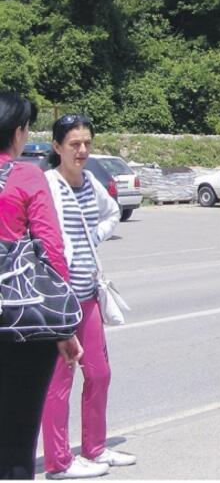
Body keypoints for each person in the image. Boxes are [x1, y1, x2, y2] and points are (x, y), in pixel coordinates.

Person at [41, 114, 135, 479]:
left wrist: (96, 234)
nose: (82, 151)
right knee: (59, 382)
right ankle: (59, 461)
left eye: (87, 144)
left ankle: (95, 448)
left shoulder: (90, 181)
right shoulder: (48, 184)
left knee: (99, 373)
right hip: (58, 300)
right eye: (74, 144)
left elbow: (112, 212)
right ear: (56, 147)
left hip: (88, 293)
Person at [0, 93, 83, 480]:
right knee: (17, 441)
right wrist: (63, 328)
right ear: (18, 133)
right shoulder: (26, 175)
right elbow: (51, 247)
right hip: (20, 320)